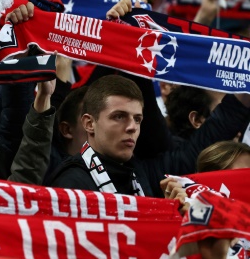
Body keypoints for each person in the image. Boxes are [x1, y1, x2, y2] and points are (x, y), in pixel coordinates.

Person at [48, 74, 250, 196]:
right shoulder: (70, 181)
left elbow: (200, 146)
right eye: (119, 117)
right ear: (89, 123)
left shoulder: (144, 171)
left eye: (137, 119)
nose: (131, 127)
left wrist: (174, 213)